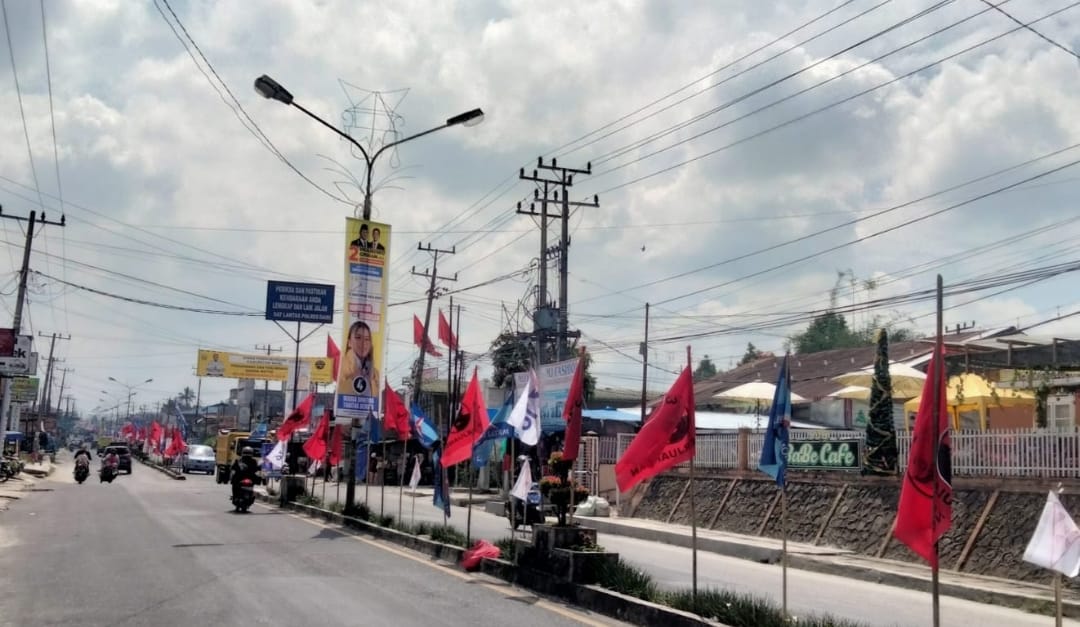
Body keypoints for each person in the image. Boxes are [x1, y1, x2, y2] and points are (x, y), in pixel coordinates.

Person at [336, 320, 380, 398]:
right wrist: (353, 378)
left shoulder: (375, 373)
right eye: (358, 338)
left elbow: (376, 398)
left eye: (367, 339)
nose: (363, 343)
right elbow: (339, 395)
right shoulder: (341, 365)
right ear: (349, 342)